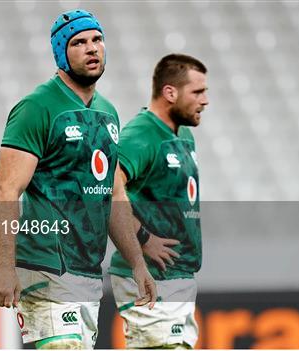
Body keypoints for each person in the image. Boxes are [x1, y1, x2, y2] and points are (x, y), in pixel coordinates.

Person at [0, 9, 156, 350]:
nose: (92, 48)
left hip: (87, 271)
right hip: (44, 266)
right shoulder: (36, 107)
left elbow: (111, 195)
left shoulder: (108, 113)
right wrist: (4, 268)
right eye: (79, 43)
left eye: (97, 40)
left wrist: (138, 263)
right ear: (61, 52)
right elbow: (7, 188)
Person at [109, 54, 209, 349]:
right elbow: (107, 189)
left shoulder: (184, 136)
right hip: (150, 277)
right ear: (170, 92)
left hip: (178, 276)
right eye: (198, 92)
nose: (205, 100)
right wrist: (143, 237)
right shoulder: (141, 135)